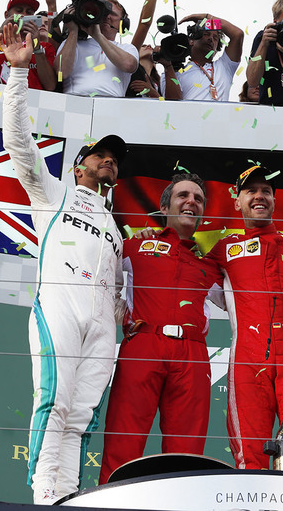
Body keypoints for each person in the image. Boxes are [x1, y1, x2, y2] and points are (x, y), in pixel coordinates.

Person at [0, 24, 126, 504]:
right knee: (52, 402)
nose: (110, 162)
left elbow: (121, 287)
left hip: (101, 323)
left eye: (115, 160)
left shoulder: (116, 227)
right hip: (59, 306)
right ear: (79, 166)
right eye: (101, 156)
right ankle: (43, 493)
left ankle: (67, 494)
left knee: (82, 415)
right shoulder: (54, 193)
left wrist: (119, 310)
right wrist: (17, 71)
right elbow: (20, 145)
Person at [99, 174, 222, 484]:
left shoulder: (210, 264)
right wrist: (121, 313)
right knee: (122, 443)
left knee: (187, 454)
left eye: (198, 198)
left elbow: (245, 299)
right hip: (144, 344)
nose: (191, 201)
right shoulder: (136, 245)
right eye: (183, 195)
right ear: (165, 206)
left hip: (192, 355)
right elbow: (99, 275)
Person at [205, 165, 283, 472]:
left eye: (266, 191)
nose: (259, 196)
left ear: (274, 199)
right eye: (251, 191)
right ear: (237, 200)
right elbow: (196, 281)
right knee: (250, 455)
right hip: (248, 356)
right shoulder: (224, 248)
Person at [56, 0, 138, 97]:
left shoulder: (127, 48)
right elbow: (61, 72)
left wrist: (98, 36)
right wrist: (73, 32)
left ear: (123, 23)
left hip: (112, 106)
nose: (108, 17)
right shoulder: (73, 43)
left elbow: (129, 65)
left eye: (113, 14)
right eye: (104, 13)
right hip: (74, 102)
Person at [165, 12, 244, 101]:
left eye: (215, 38)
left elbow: (237, 34)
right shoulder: (175, 72)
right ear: (191, 41)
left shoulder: (225, 66)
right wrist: (168, 66)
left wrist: (207, 18)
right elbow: (172, 104)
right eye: (206, 34)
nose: (211, 39)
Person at [125, 0, 180, 100]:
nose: (148, 45)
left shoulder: (159, 84)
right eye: (143, 46)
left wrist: (154, 93)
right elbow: (144, 24)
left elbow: (173, 106)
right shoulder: (129, 68)